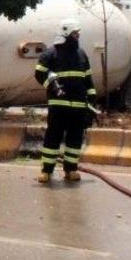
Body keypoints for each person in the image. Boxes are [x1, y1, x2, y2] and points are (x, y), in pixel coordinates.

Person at [33, 18, 96, 184]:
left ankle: (71, 169)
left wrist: (92, 100)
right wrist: (51, 86)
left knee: (75, 139)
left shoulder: (81, 54)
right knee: (53, 137)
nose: (77, 36)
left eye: (78, 34)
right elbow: (39, 74)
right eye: (75, 34)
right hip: (58, 106)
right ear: (65, 33)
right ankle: (47, 171)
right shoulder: (50, 54)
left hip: (78, 106)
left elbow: (88, 80)